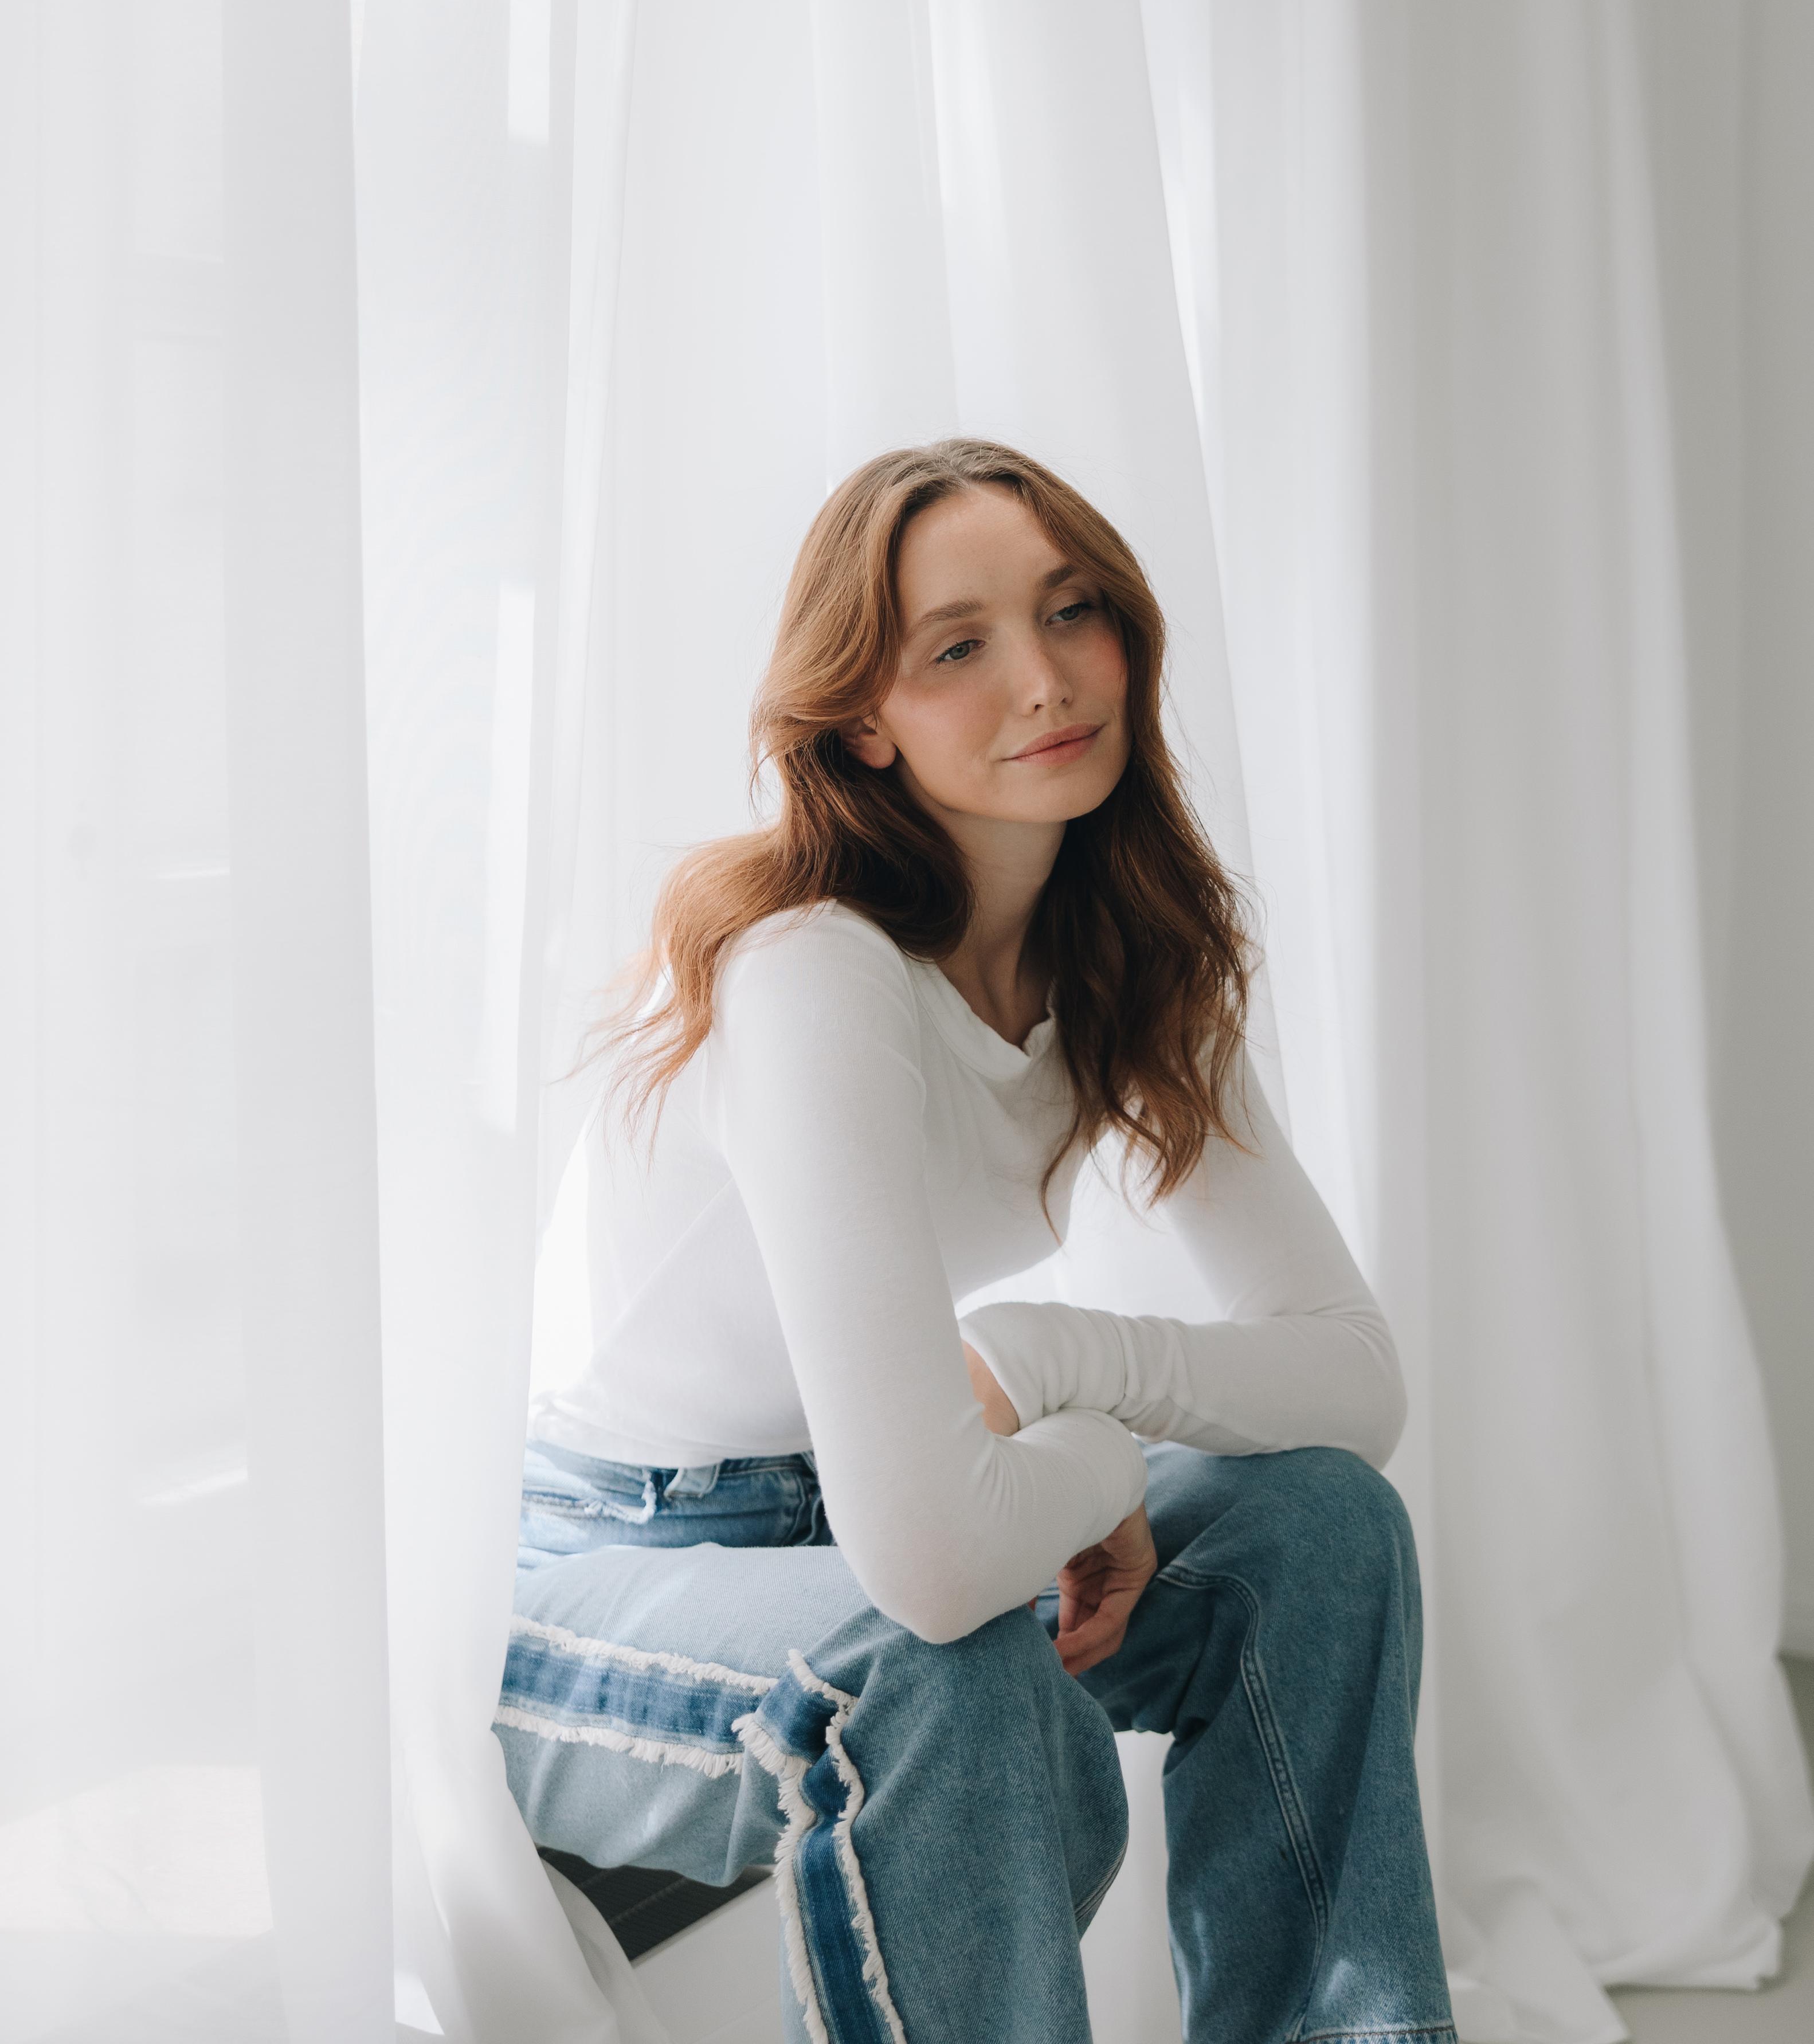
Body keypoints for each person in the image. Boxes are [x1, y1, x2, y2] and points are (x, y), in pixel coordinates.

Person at [500, 440, 1455, 2044]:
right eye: (958, 647)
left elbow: (1355, 1384)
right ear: (862, 719)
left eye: (1071, 611)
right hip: (602, 1567)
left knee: (1318, 1528)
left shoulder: (1131, 960)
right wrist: (1091, 1457)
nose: (1043, 679)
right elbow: (937, 1563)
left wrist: (1039, 1357)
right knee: (941, 1662)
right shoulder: (813, 970)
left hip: (870, 1511)